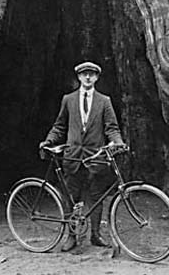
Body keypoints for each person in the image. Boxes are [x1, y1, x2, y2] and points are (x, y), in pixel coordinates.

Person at [39, 61, 124, 252]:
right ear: (78, 77)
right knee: (71, 196)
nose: (87, 77)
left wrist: (117, 142)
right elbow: (60, 125)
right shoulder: (68, 99)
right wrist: (49, 140)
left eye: (91, 74)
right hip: (73, 156)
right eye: (84, 74)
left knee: (97, 196)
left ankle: (95, 234)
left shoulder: (105, 101)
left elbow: (112, 128)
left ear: (96, 78)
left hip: (96, 156)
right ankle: (71, 236)